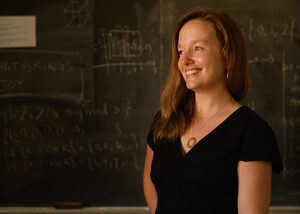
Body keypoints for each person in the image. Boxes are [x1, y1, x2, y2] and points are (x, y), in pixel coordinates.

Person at [143, 8, 283, 214]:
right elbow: (150, 184)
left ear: (228, 57)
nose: (185, 61)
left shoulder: (251, 131)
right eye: (181, 51)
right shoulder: (165, 119)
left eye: (198, 48)